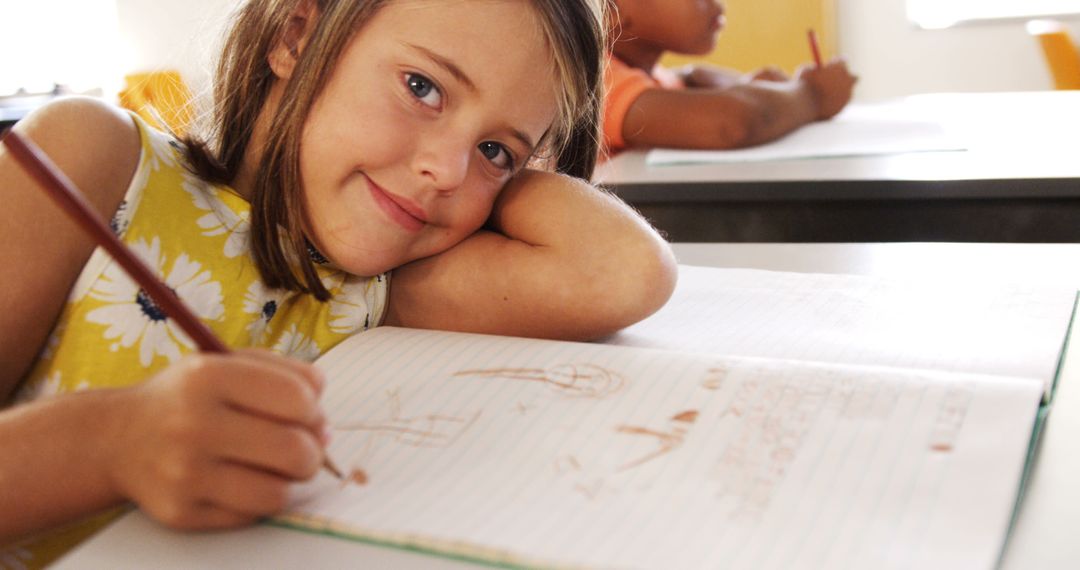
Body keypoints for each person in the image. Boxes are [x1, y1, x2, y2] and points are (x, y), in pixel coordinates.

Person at [0, 0, 677, 564]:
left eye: (494, 150)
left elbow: (622, 271)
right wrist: (112, 445)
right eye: (423, 87)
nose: (445, 171)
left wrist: (493, 175)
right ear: (297, 35)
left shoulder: (375, 285)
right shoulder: (94, 162)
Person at [603, 0, 858, 154]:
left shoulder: (649, 76)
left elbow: (691, 81)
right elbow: (728, 124)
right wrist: (812, 95)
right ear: (610, 10)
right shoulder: (593, 83)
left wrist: (747, 89)